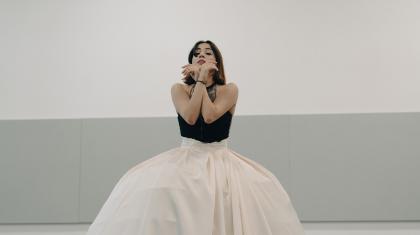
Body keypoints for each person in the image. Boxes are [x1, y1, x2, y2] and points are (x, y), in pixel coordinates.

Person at [86, 40, 305, 234]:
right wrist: (200, 81)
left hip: (220, 157)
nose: (201, 55)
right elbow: (190, 117)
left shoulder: (229, 89)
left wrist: (203, 81)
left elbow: (209, 116)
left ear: (216, 62)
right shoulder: (179, 89)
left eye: (208, 52)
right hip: (186, 155)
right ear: (190, 60)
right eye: (196, 52)